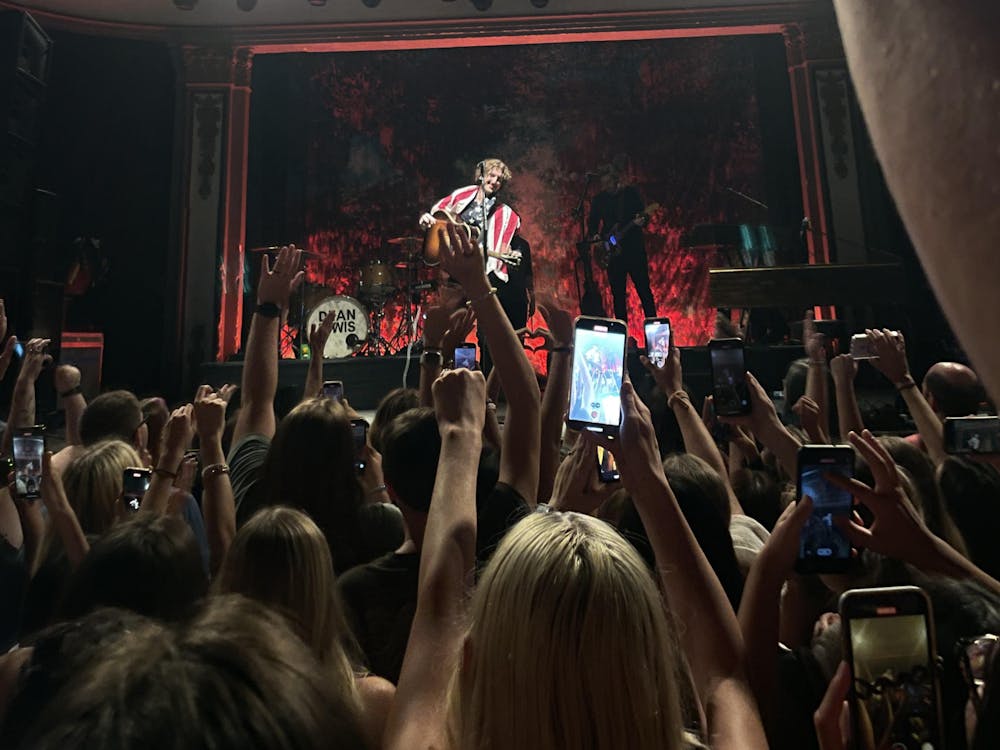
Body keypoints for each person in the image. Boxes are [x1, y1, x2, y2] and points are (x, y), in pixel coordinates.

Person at [419, 158, 522, 372]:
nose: (494, 181)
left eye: (499, 180)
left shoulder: (504, 214)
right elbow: (438, 213)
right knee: (450, 327)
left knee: (486, 332)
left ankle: (483, 389)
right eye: (491, 176)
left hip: (480, 277)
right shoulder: (462, 196)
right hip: (455, 277)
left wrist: (511, 253)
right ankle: (441, 381)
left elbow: (503, 247)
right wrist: (427, 219)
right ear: (482, 176)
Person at [587, 159, 657, 326]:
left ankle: (654, 332)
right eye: (602, 183)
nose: (605, 186)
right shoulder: (599, 200)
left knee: (644, 291)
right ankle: (622, 335)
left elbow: (644, 214)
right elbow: (593, 224)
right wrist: (596, 238)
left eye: (607, 182)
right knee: (618, 295)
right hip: (613, 254)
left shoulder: (630, 194)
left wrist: (643, 219)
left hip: (634, 250)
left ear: (615, 180)